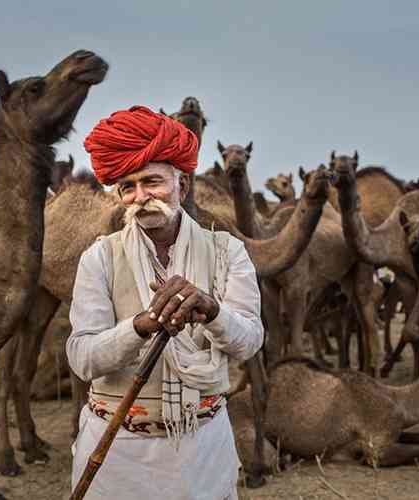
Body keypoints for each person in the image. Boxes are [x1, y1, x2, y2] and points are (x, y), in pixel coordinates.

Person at [67, 106, 264, 500]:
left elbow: (249, 342)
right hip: (118, 452)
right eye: (128, 187)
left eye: (152, 182)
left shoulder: (228, 253)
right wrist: (143, 324)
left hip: (203, 450)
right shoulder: (99, 257)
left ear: (182, 186)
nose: (141, 197)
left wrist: (211, 310)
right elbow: (82, 357)